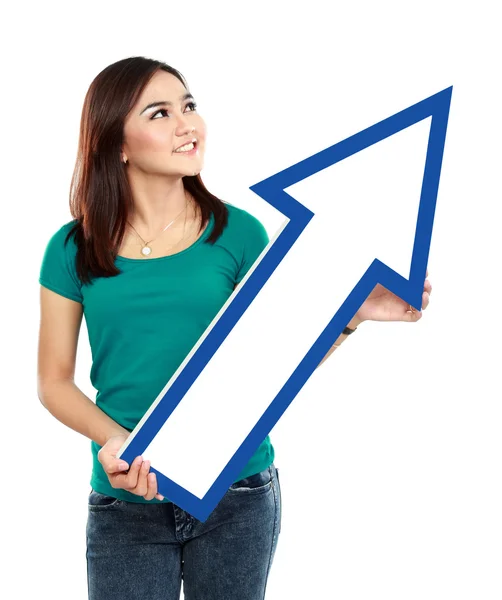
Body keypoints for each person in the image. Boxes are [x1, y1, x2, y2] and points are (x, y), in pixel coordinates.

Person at [37, 56, 432, 600]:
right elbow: (54, 382)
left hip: (238, 494)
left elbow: (275, 360)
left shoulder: (238, 234)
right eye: (159, 113)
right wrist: (118, 441)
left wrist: (352, 315)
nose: (187, 124)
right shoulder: (71, 248)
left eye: (189, 105)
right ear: (117, 145)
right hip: (124, 500)